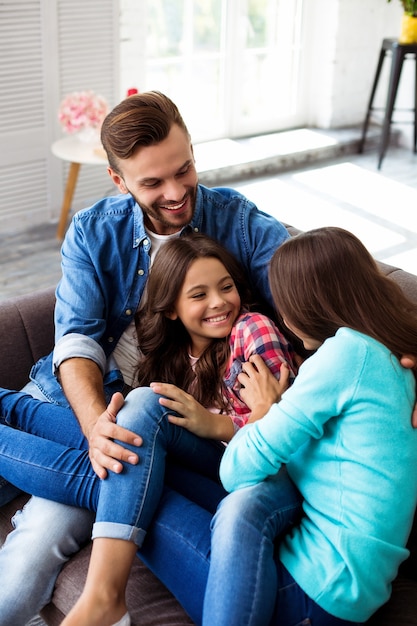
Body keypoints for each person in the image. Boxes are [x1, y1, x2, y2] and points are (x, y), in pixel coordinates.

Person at [0, 91, 291, 625]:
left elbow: (315, 290)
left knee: (16, 590)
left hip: (149, 420)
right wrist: (94, 428)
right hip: (74, 400)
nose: (178, 192)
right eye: (153, 183)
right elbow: (78, 339)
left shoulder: (238, 222)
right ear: (119, 181)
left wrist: (394, 345)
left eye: (185, 170)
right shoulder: (93, 230)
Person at [205, 226, 417, 625]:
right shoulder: (386, 351)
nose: (281, 317)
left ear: (306, 305)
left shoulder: (346, 353)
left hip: (323, 587)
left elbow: (236, 471)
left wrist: (264, 411)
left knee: (164, 507)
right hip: (349, 584)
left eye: (283, 304)